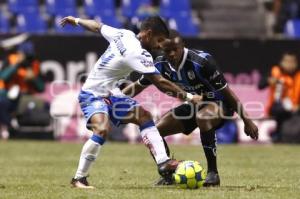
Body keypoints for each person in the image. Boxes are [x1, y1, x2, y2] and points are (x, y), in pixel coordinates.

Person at [59, 16, 203, 189]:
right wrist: (188, 97)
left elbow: (97, 26)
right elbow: (160, 82)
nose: (160, 46)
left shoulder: (124, 34)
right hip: (93, 94)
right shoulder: (138, 52)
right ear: (149, 34)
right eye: (159, 41)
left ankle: (164, 163)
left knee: (144, 116)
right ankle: (79, 179)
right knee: (102, 129)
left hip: (113, 94)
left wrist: (75, 20)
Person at [123, 30, 259, 186]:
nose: (172, 54)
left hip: (219, 104)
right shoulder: (160, 65)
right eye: (168, 50)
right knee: (154, 132)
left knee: (203, 117)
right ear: (161, 48)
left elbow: (228, 93)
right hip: (193, 104)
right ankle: (169, 175)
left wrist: (247, 121)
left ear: (183, 46)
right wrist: (114, 99)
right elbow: (138, 86)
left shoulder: (202, 61)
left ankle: (213, 174)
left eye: (176, 49)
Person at [0, 42, 44, 139]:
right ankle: (11, 126)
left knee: (45, 106)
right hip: (10, 97)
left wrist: (34, 79)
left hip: (27, 97)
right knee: (1, 103)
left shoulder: (34, 64)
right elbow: (3, 77)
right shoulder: (12, 59)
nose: (28, 59)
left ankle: (13, 127)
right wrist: (16, 65)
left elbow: (41, 88)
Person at [259, 52, 300, 142]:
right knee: (281, 110)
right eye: (287, 61)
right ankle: (279, 135)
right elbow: (260, 85)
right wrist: (269, 80)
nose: (289, 64)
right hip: (277, 107)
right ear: (281, 62)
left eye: (292, 62)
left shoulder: (298, 75)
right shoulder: (275, 71)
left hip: (296, 108)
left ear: (296, 63)